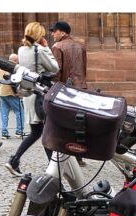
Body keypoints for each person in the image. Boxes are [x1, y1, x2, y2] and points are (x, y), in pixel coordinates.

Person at [5, 21, 59, 176]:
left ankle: (14, 161)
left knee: (37, 132)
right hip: (40, 95)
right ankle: (51, 168)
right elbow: (55, 68)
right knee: (46, 132)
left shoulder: (21, 50)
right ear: (39, 35)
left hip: (28, 95)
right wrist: (47, 47)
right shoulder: (40, 50)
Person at [50, 21, 88, 167]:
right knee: (80, 124)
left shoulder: (57, 47)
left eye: (55, 31)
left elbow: (56, 71)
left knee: (64, 124)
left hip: (66, 90)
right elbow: (83, 70)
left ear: (63, 32)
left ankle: (66, 156)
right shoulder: (80, 46)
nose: (53, 33)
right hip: (82, 88)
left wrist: (54, 89)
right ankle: (79, 156)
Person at [0, 53, 26, 140]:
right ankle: (19, 131)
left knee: (4, 113)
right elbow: (12, 81)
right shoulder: (12, 67)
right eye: (17, 60)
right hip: (11, 93)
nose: (18, 62)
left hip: (2, 92)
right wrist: (17, 92)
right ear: (15, 60)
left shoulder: (2, 66)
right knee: (20, 112)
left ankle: (4, 132)